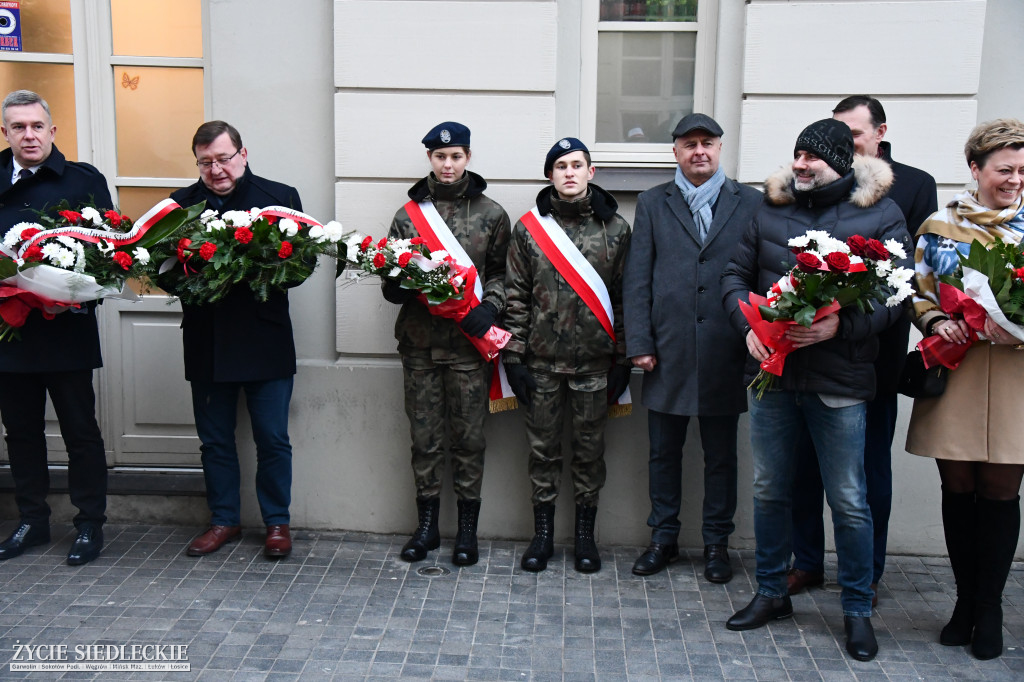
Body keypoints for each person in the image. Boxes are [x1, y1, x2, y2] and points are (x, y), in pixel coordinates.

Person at [721, 119, 910, 662]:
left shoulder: (881, 214)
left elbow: (896, 296)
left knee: (849, 501)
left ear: (841, 161)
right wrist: (751, 328)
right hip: (773, 377)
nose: (801, 165)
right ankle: (771, 593)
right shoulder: (769, 209)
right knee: (769, 490)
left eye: (813, 157)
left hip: (839, 381)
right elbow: (735, 277)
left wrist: (839, 326)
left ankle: (856, 611)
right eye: (797, 154)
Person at [788, 96, 938, 602]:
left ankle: (867, 573)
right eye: (839, 136)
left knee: (868, 470)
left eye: (854, 135)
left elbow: (910, 276)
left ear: (879, 133)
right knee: (803, 463)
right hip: (811, 351)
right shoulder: (814, 182)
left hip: (875, 353)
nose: (846, 144)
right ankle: (806, 561)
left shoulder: (912, 186)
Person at [905, 118, 1024, 660]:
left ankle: (991, 609)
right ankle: (964, 603)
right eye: (1004, 170)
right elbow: (920, 292)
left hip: (1017, 372)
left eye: (1022, 170)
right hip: (958, 370)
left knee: (999, 491)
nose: (1014, 179)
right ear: (975, 170)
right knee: (958, 488)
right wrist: (935, 323)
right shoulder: (939, 227)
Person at [623, 113, 761, 582]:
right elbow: (637, 278)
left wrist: (755, 341)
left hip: (728, 349)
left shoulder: (751, 202)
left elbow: (760, 278)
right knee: (663, 452)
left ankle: (717, 544)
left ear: (720, 148)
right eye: (689, 144)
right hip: (668, 350)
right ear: (675, 151)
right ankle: (663, 538)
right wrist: (639, 342)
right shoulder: (652, 203)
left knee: (722, 456)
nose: (698, 151)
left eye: (707, 143)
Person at [171, 121, 302, 559]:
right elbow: (165, 275)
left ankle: (277, 523)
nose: (216, 169)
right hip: (207, 340)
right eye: (206, 162)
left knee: (272, 439)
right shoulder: (179, 206)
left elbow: (300, 269)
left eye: (224, 159)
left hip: (264, 338)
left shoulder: (280, 198)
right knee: (215, 441)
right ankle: (223, 519)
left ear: (243, 154)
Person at [383, 122, 511, 566]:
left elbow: (501, 272)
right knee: (425, 439)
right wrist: (393, 285)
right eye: (440, 157)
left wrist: (490, 307)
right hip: (420, 344)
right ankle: (426, 529)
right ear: (430, 161)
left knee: (469, 440)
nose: (448, 165)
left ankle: (467, 532)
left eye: (455, 156)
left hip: (466, 348)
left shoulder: (492, 214)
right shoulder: (408, 215)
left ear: (468, 158)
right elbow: (394, 267)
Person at [503, 137, 631, 573]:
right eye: (561, 166)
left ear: (591, 172)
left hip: (595, 366)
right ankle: (542, 537)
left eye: (578, 165)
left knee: (589, 454)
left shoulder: (616, 229)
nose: (570, 172)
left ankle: (584, 538)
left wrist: (624, 360)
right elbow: (516, 297)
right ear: (550, 175)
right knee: (543, 453)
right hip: (541, 365)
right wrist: (514, 358)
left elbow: (625, 298)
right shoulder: (528, 229)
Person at [0, 90, 111, 566]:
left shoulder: (84, 181)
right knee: (21, 431)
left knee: (80, 430)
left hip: (66, 330)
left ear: (52, 131)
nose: (29, 135)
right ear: (6, 133)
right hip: (10, 332)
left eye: (36, 126)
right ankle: (33, 521)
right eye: (18, 127)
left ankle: (89, 524)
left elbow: (110, 251)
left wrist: (73, 294)